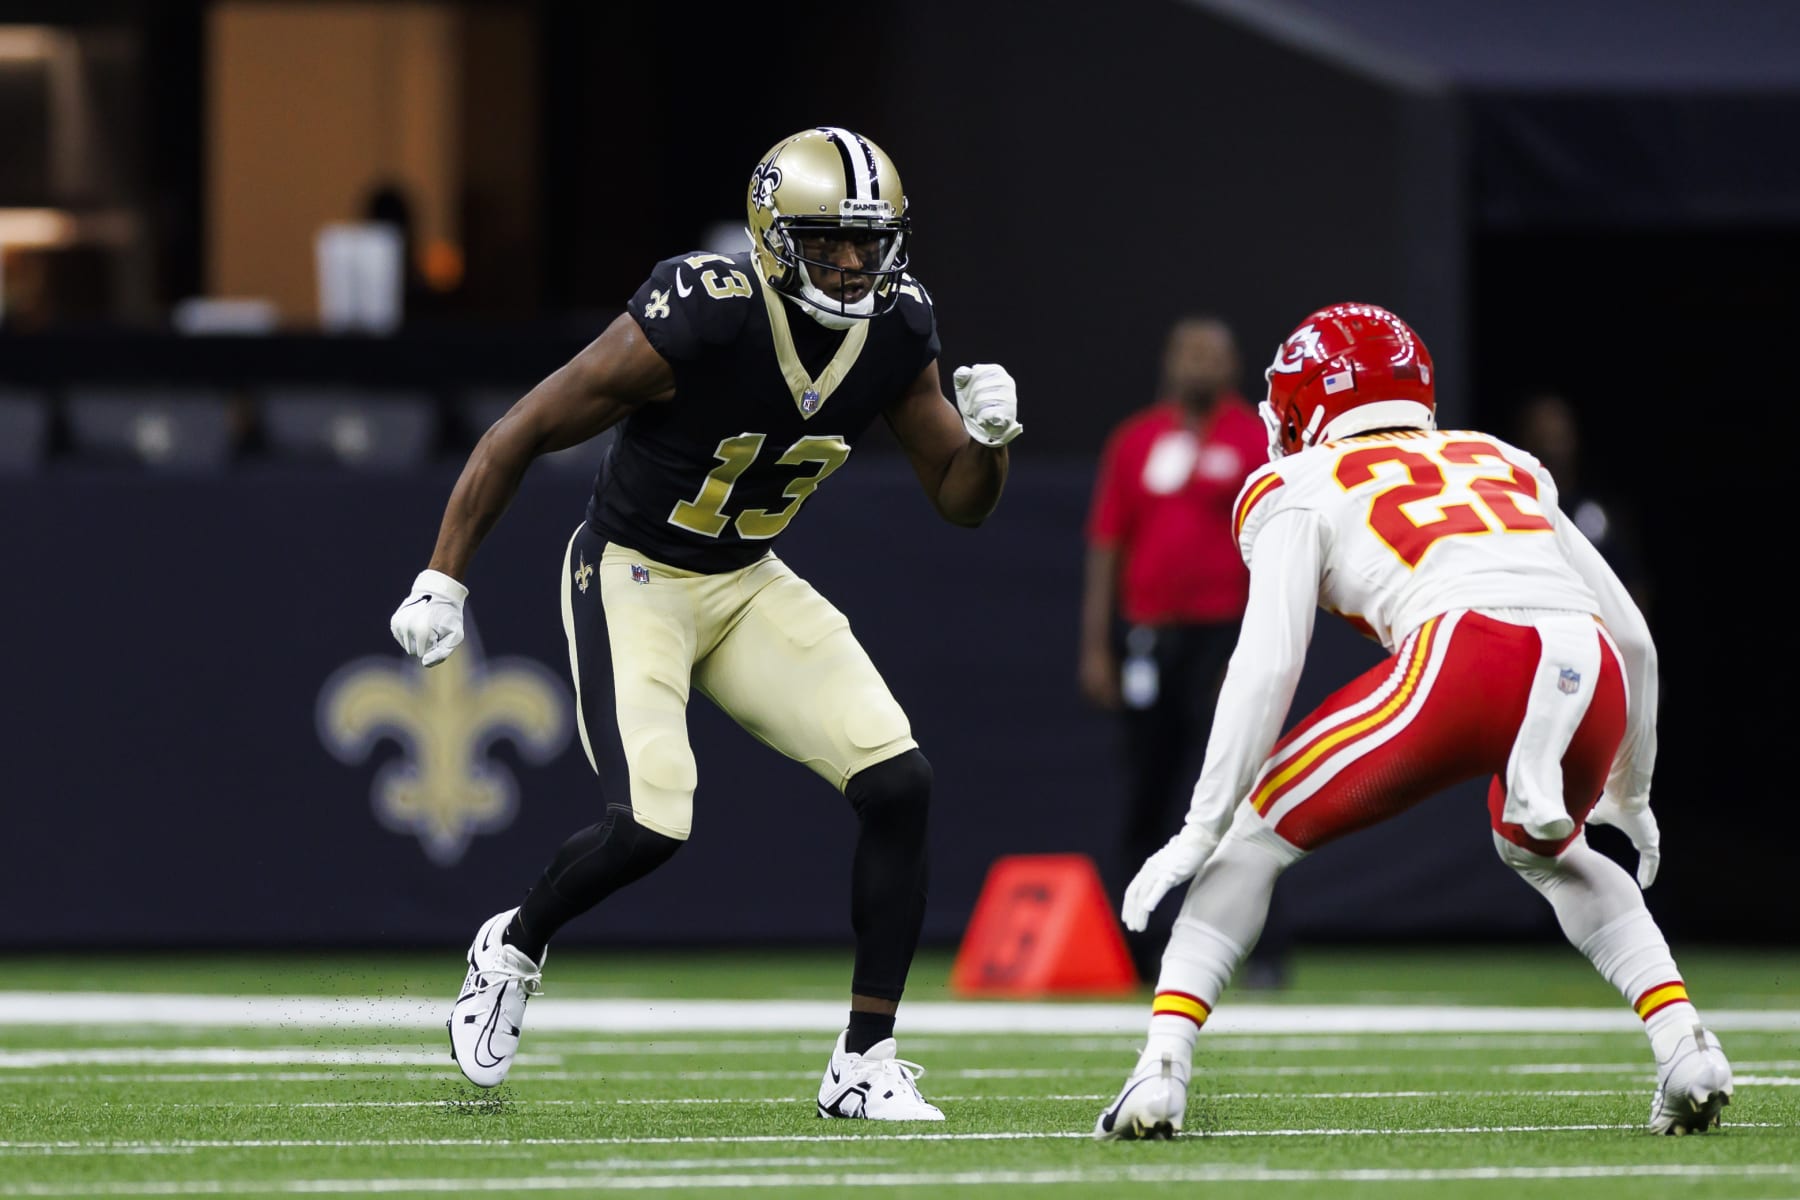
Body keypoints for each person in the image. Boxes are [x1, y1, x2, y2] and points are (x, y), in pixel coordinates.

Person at [388, 127, 1021, 1121]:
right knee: (650, 824)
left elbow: (960, 495)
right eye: (829, 241)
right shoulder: (703, 313)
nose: (854, 263)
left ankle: (864, 1058)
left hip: (746, 577)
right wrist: (443, 577)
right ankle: (511, 945)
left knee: (898, 782)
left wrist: (990, 444)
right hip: (635, 569)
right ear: (774, 236)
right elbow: (525, 428)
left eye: (869, 240)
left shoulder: (899, 326)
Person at [1094, 302, 1732, 1140]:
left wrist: (1199, 822)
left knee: (1249, 840)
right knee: (1545, 846)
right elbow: (1635, 637)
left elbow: (1269, 662)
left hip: (1465, 655)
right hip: (1589, 668)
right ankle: (1686, 1044)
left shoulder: (1294, 482)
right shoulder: (1502, 459)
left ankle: (1160, 1071)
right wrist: (1632, 789)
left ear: (1304, 402)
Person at [1077, 316, 1290, 986]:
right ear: (1169, 363)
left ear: (1232, 366)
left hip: (1227, 634)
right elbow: (1107, 544)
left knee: (1242, 789)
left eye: (1212, 354)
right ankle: (1141, 950)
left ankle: (1256, 949)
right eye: (1188, 353)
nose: (1198, 363)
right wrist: (1096, 646)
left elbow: (1281, 543)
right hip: (1149, 636)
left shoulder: (1256, 437)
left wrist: (1260, 642)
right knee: (1149, 792)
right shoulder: (1136, 439)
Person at [1514, 391, 1652, 616]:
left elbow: (1632, 588)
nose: (1553, 444)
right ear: (1525, 440)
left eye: (1558, 433)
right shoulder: (1514, 508)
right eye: (1543, 433)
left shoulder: (1598, 515)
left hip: (1593, 634)